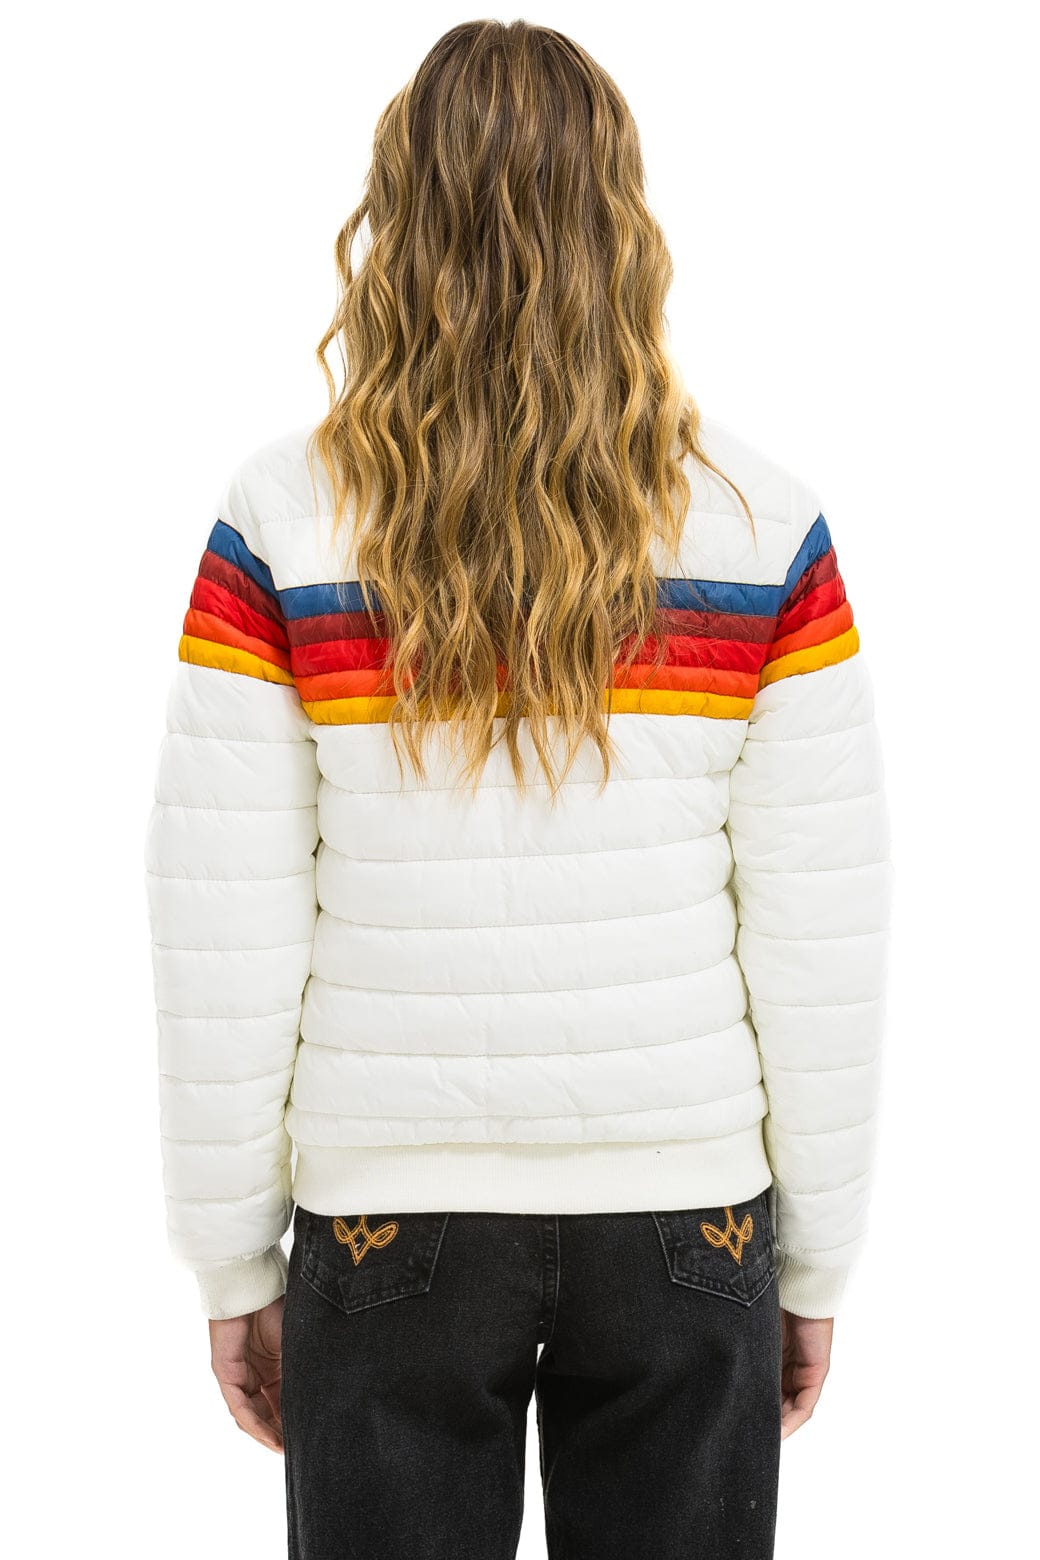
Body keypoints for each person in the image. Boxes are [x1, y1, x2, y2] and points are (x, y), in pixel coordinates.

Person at [143, 19, 893, 1560]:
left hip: (387, 1216)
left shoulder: (285, 517)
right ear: (622, 219)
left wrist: (232, 1259)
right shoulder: (763, 527)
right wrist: (815, 1257)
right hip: (688, 1208)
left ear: (395, 221)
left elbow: (219, 916)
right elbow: (823, 930)